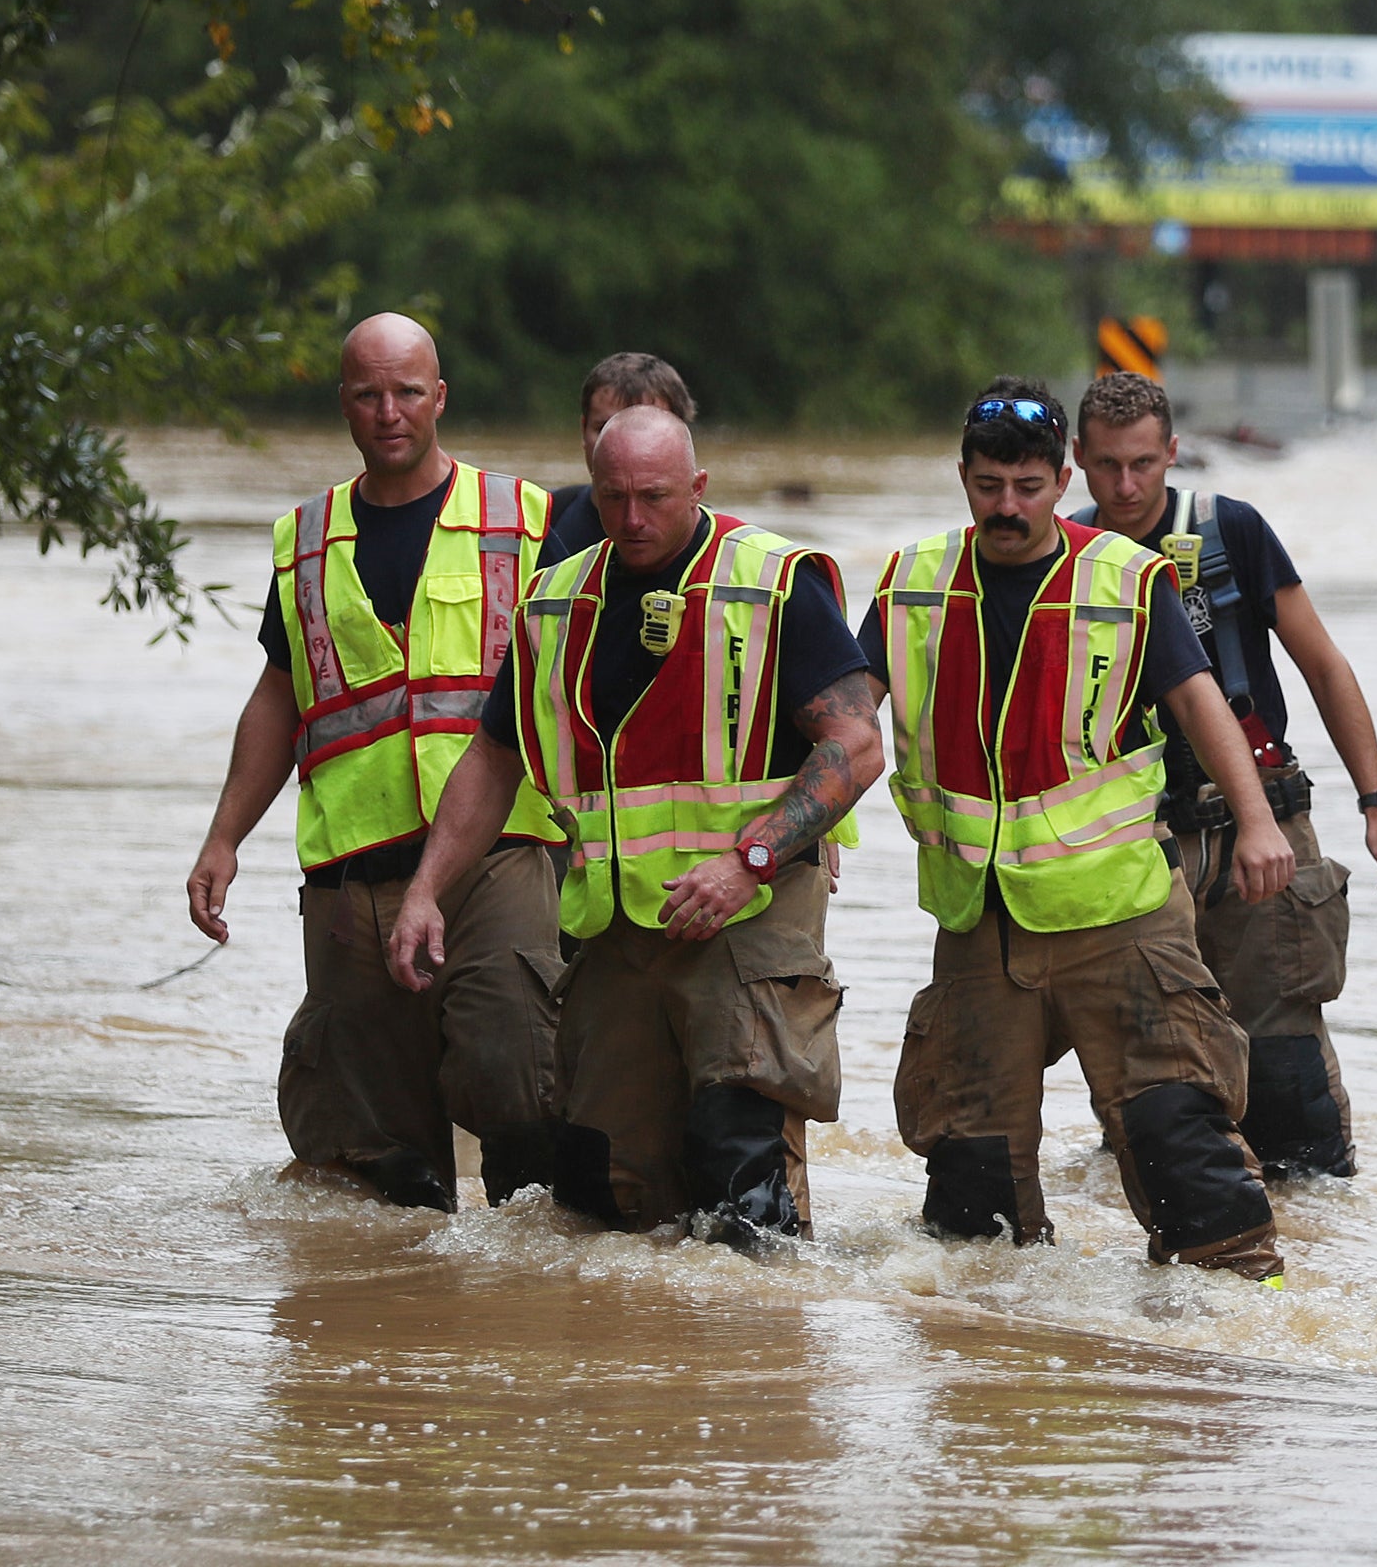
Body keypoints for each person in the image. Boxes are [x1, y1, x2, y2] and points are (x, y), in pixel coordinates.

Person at [385, 407, 880, 1248]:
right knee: (599, 1196)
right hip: (615, 935)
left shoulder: (771, 581)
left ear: (698, 487)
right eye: (613, 498)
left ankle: (761, 1364)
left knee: (738, 1182)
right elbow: (493, 760)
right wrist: (426, 891)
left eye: (654, 497)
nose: (633, 520)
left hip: (747, 921)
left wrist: (748, 860)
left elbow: (857, 746)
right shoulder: (553, 600)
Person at [858, 389, 1296, 1281]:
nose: (1007, 507)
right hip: (980, 921)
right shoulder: (911, 583)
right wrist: (808, 822)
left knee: (1182, 1143)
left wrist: (1256, 820)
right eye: (988, 486)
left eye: (1027, 485)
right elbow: (846, 722)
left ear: (1063, 481)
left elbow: (1201, 703)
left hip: (1120, 915)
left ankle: (1243, 1349)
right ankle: (996, 1366)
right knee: (969, 1201)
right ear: (964, 481)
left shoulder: (1128, 580)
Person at [185, 314, 567, 1214]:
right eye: (368, 394)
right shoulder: (305, 539)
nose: (388, 411)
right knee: (375, 1160)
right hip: (352, 873)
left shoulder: (529, 520)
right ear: (344, 406)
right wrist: (222, 838)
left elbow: (594, 672)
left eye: (406, 391)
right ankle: (399, 1329)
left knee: (517, 1075)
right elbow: (279, 696)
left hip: (499, 854)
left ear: (441, 397)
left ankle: (538, 1302)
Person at [1066, 372, 1377, 1180]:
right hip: (1132, 841)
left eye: (1144, 465)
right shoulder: (1063, 552)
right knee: (1148, 1077)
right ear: (1078, 459)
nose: (1126, 485)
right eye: (1109, 465)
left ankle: (1325, 1258)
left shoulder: (1233, 532)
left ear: (1173, 454)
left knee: (1286, 1079)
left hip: (1261, 821)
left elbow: (1323, 666)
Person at [542, 353, 697, 568]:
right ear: (583, 430)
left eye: (644, 428)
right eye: (603, 428)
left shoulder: (714, 546)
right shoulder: (543, 521)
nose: (621, 443)